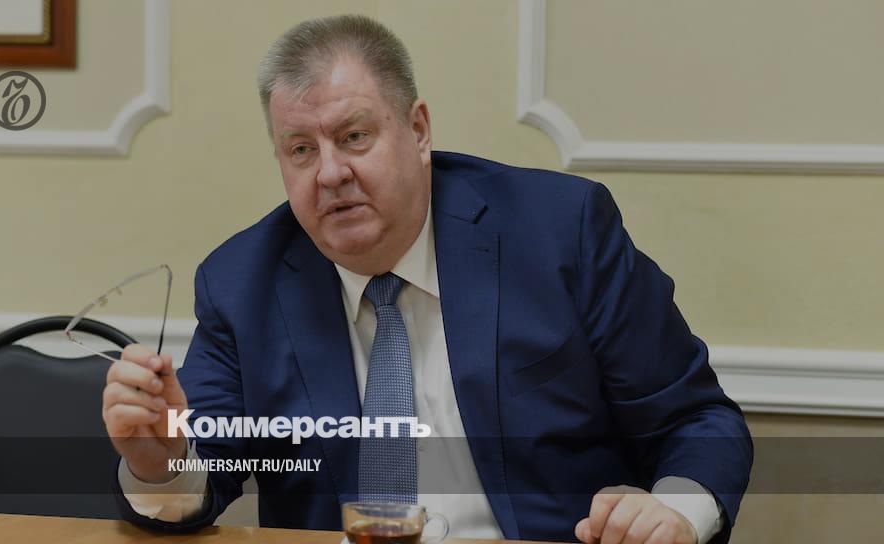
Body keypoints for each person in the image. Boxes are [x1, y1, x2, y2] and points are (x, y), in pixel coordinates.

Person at [103, 14, 752, 544]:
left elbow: (696, 421)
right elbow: (202, 477)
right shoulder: (243, 283)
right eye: (301, 149)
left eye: (354, 136)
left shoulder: (559, 232)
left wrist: (673, 515)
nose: (329, 173)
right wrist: (160, 466)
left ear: (417, 130)